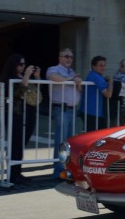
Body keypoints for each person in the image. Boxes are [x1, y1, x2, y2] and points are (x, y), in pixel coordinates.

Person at [2, 53, 41, 184]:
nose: (22, 67)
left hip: (28, 112)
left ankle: (18, 172)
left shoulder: (24, 77)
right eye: (20, 64)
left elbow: (36, 94)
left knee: (22, 143)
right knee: (16, 144)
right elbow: (18, 93)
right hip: (16, 113)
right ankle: (13, 174)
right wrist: (26, 77)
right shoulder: (10, 78)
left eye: (24, 64)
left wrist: (36, 77)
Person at [46, 48, 82, 178]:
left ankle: (68, 169)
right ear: (60, 57)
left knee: (70, 142)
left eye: (71, 57)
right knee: (61, 141)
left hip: (72, 109)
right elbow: (55, 78)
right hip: (61, 109)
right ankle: (58, 170)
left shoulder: (72, 72)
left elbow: (79, 88)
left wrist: (78, 82)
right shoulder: (53, 69)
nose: (69, 59)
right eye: (66, 56)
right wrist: (73, 78)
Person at [81, 56, 113, 131]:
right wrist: (111, 82)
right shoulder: (96, 77)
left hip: (91, 112)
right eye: (100, 65)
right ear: (93, 66)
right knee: (92, 138)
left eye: (104, 65)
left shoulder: (95, 76)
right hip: (92, 113)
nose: (103, 68)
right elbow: (108, 94)